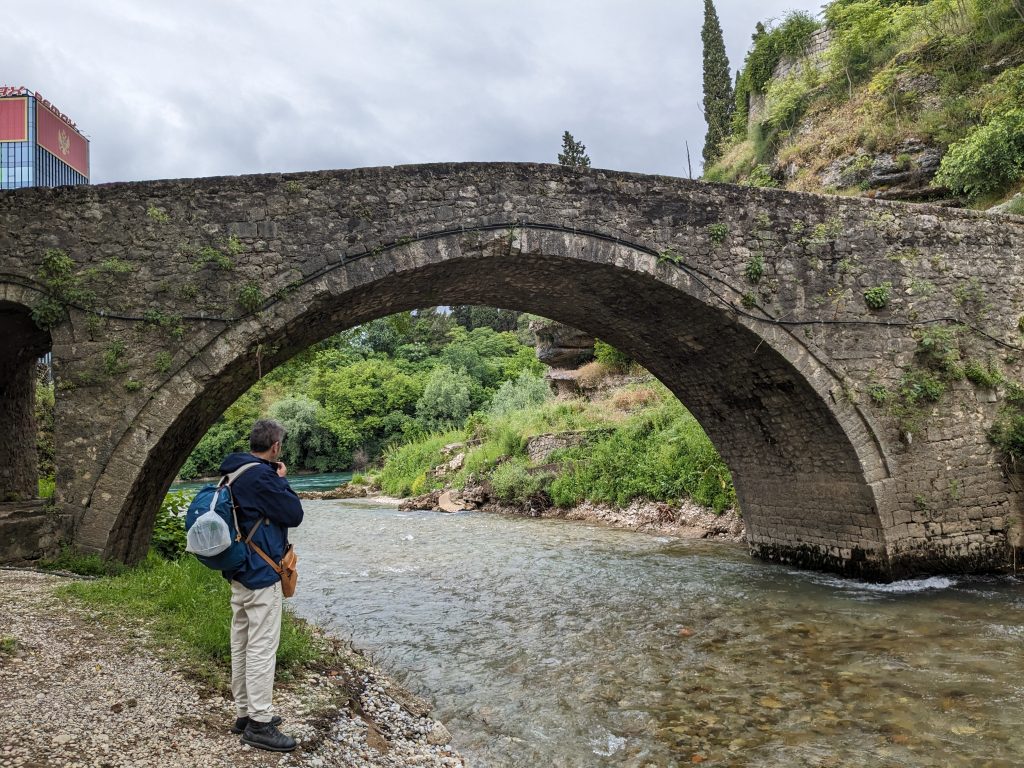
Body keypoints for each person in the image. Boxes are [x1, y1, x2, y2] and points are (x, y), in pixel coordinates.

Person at [220, 419, 304, 752]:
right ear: (275, 447)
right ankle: (259, 722)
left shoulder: (234, 472)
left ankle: (244, 712)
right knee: (261, 646)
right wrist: (282, 481)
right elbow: (294, 514)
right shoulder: (264, 476)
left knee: (241, 640)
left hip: (239, 569)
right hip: (261, 573)